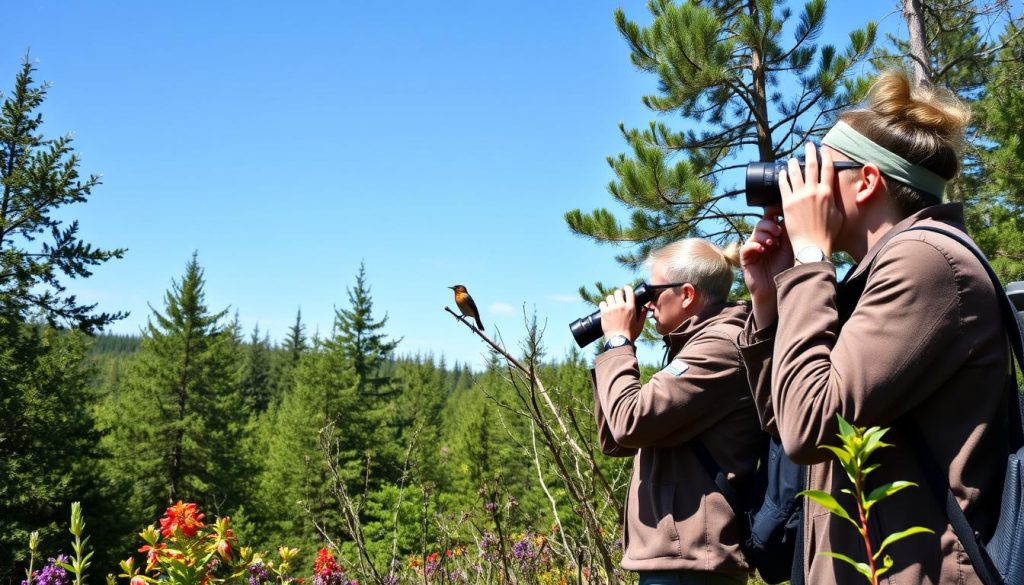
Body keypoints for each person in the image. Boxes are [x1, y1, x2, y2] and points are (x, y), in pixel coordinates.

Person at [738, 70, 1007, 584]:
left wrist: (812, 258)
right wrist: (771, 300)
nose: (801, 184)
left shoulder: (925, 260)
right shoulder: (876, 274)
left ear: (866, 181)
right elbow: (786, 419)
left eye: (819, 168)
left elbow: (810, 425)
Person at [593, 238, 761, 585]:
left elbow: (629, 423)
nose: (648, 304)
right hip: (676, 559)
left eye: (651, 292)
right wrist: (615, 352)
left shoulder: (719, 347)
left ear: (686, 294)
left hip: (693, 563)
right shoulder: (693, 347)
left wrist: (618, 344)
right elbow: (616, 440)